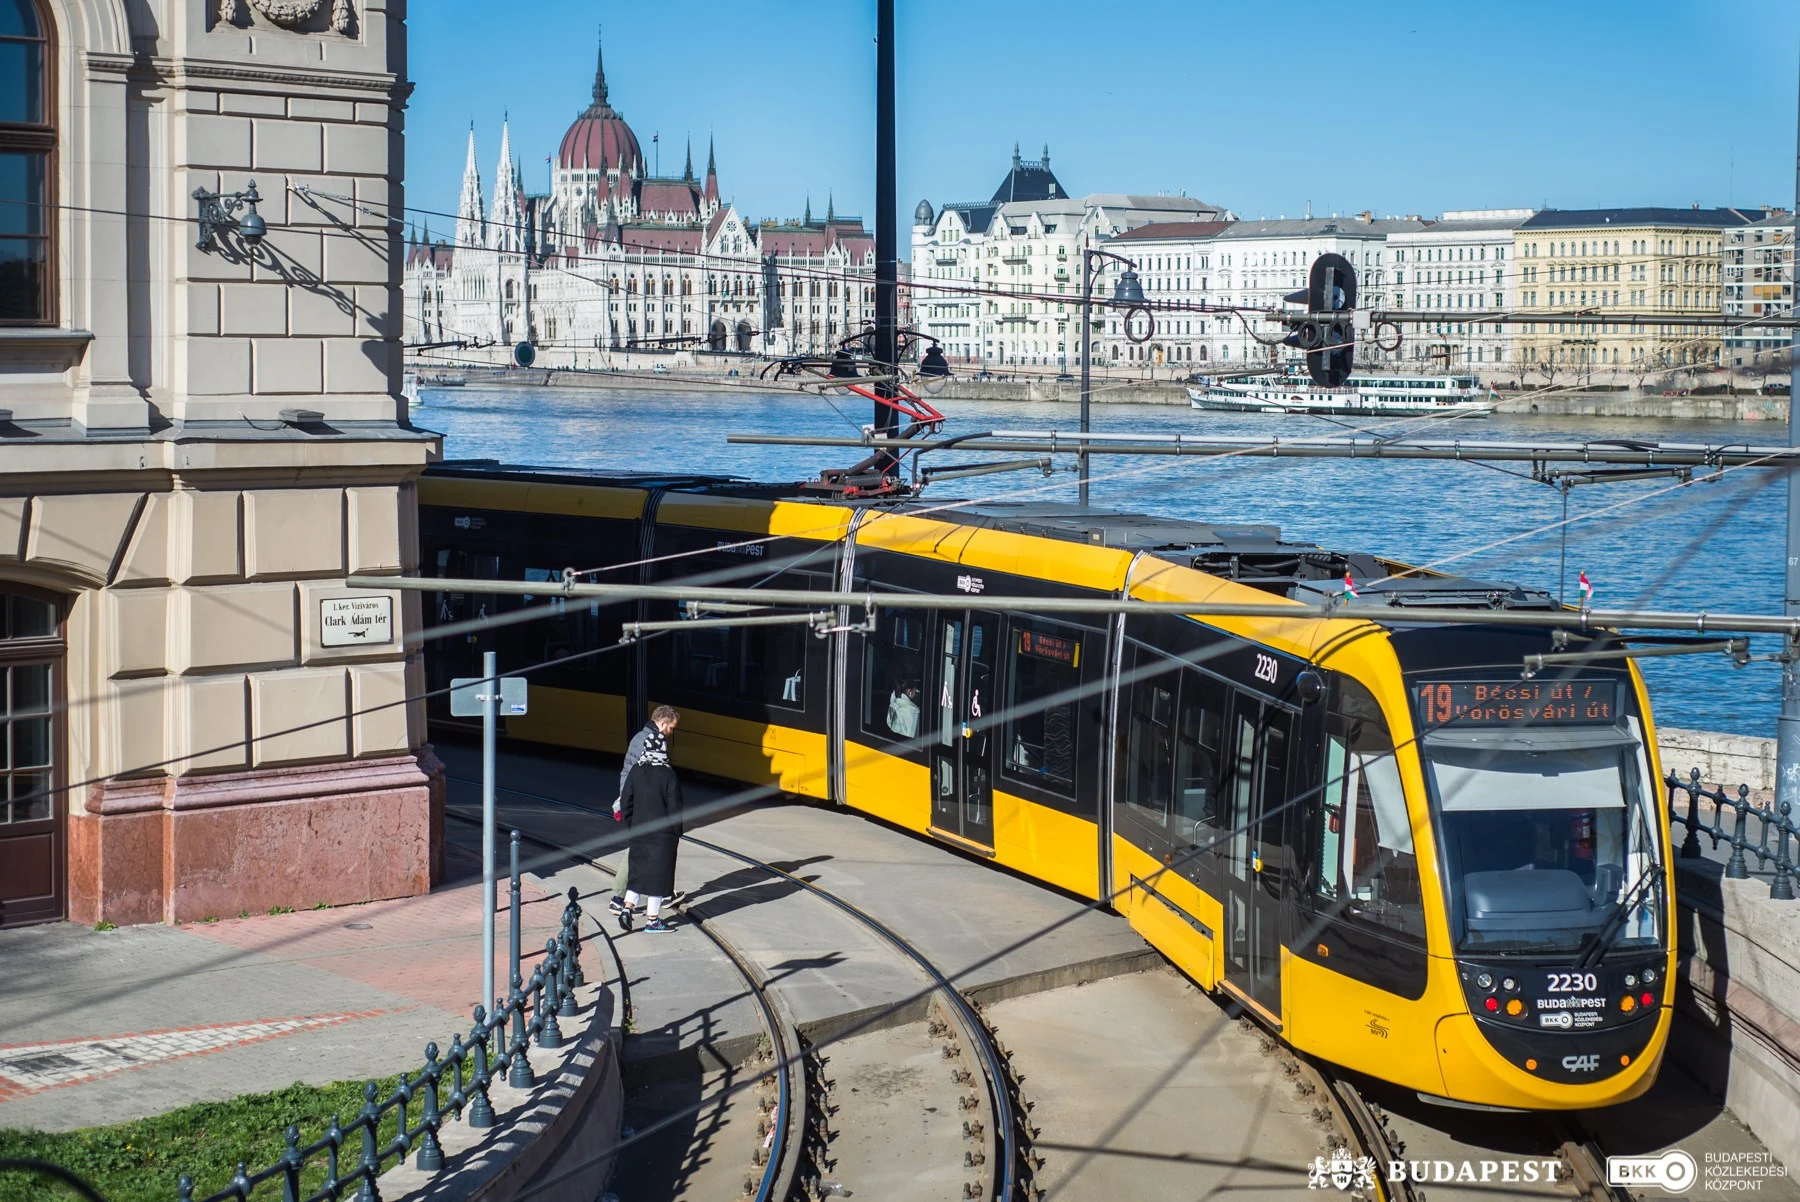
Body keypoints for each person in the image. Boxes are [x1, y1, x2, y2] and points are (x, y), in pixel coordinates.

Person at [610, 706, 681, 919]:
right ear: (663, 723)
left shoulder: (642, 737)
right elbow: (644, 778)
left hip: (635, 803)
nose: (671, 732)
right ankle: (619, 897)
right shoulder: (650, 741)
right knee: (638, 850)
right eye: (671, 728)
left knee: (643, 850)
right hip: (640, 804)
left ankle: (657, 893)